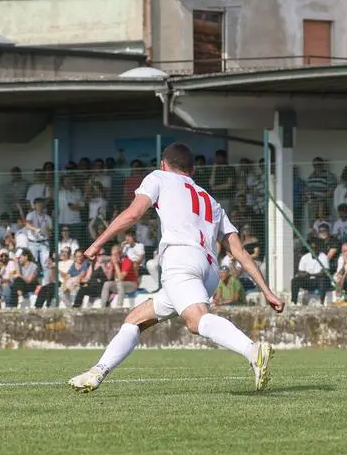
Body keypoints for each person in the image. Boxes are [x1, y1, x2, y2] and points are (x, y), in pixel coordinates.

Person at [68, 143, 284, 394]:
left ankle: (252, 350)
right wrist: (266, 291)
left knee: (196, 321)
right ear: (192, 170)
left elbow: (132, 214)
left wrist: (96, 244)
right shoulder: (211, 200)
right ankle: (97, 372)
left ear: (163, 164)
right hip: (208, 269)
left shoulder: (158, 177)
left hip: (181, 260)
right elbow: (239, 251)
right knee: (136, 320)